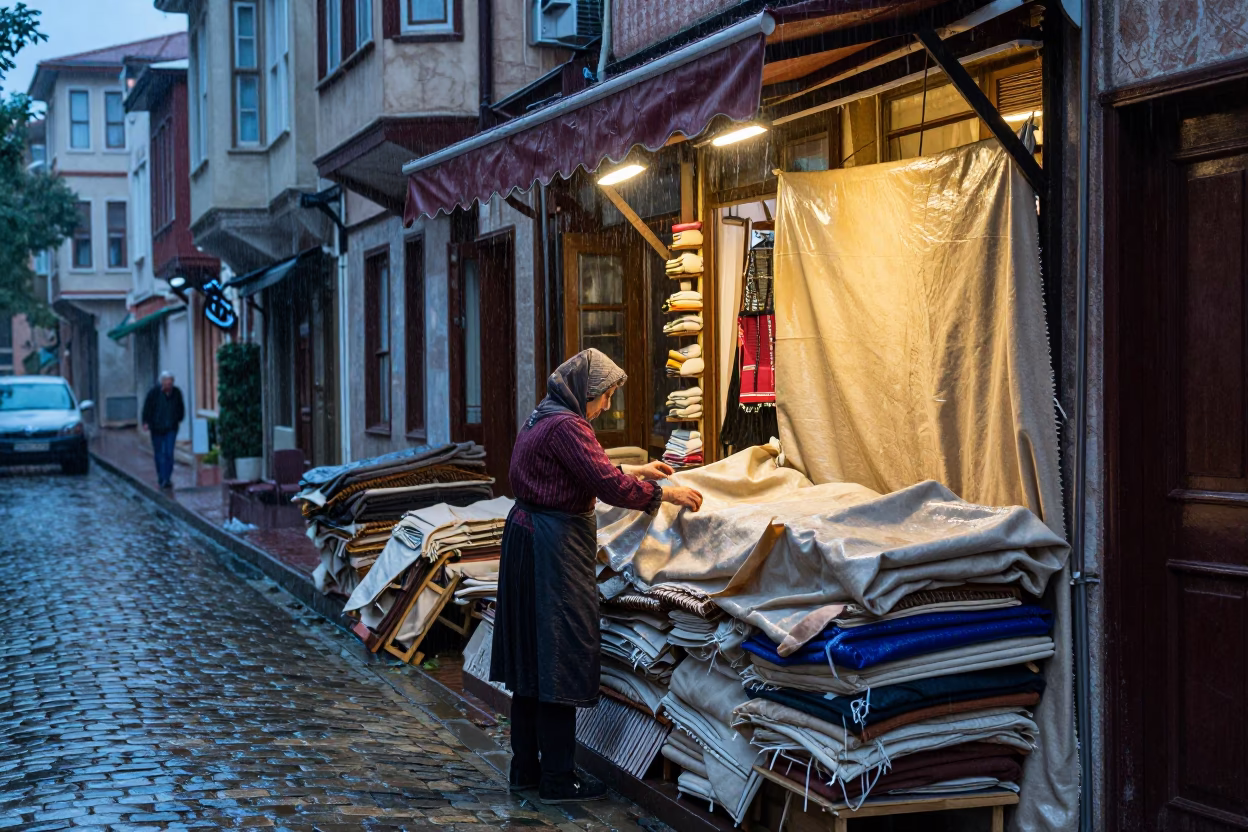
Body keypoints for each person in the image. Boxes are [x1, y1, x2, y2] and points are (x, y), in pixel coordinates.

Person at [491, 348, 704, 804]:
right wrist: (664, 493)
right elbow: (606, 485)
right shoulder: (569, 425)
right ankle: (558, 780)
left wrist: (636, 469)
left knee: (532, 661)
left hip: (528, 541)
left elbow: (582, 470)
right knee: (559, 656)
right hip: (551, 548)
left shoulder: (544, 416)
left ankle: (525, 770)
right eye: (605, 397)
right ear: (587, 393)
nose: (607, 406)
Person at [142, 371, 185, 490]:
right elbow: (147, 407)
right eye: (166, 383)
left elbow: (180, 407)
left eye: (170, 383)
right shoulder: (154, 393)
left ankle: (167, 478)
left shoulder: (176, 393)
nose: (168, 385)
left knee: (169, 453)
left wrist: (178, 418)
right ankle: (161, 477)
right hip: (156, 428)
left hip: (171, 427)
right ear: (162, 383)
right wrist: (146, 422)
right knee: (159, 453)